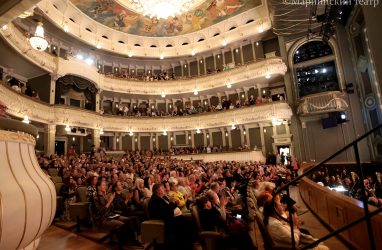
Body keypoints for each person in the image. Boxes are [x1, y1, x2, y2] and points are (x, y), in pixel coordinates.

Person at [263, 199, 329, 250]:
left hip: (297, 243)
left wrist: (294, 225)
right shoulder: (275, 225)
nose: (281, 205)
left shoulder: (273, 220)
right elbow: (294, 241)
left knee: (319, 242)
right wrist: (295, 226)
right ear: (275, 209)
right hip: (295, 247)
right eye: (279, 205)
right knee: (324, 248)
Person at [148, 183, 193, 250]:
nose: (165, 189)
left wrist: (175, 203)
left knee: (188, 221)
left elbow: (168, 208)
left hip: (170, 218)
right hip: (164, 222)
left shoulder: (162, 197)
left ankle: (187, 244)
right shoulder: (155, 200)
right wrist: (172, 203)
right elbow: (166, 213)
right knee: (186, 224)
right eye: (162, 188)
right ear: (157, 191)